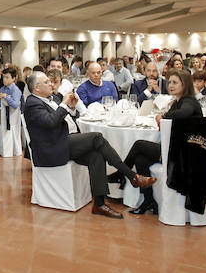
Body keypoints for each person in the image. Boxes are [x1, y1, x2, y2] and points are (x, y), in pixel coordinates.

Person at [23, 71, 154, 219]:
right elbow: (51, 122)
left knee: (96, 155)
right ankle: (130, 175)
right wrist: (64, 105)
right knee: (96, 137)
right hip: (51, 149)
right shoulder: (32, 103)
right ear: (37, 88)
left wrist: (71, 108)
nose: (51, 84)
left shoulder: (51, 98)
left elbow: (63, 118)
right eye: (47, 82)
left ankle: (99, 203)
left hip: (63, 141)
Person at [112, 69, 202, 215]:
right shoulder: (177, 102)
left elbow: (184, 113)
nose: (170, 85)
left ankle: (122, 174)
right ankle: (148, 200)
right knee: (141, 159)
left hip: (185, 153)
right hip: (175, 148)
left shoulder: (189, 101)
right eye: (170, 82)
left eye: (175, 82)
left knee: (139, 145)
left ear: (185, 84)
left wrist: (164, 115)